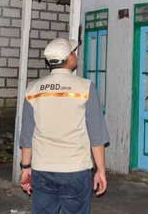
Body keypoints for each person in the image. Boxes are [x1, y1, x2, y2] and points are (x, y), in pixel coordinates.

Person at [19, 38, 110, 214]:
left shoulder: (32, 89)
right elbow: (96, 136)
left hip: (42, 170)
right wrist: (101, 171)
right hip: (75, 171)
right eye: (73, 52)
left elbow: (27, 136)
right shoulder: (85, 88)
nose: (75, 55)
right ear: (69, 58)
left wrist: (25, 168)